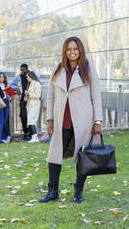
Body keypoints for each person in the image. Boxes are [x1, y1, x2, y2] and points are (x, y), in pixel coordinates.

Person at [39, 37, 102, 204]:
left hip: (84, 121)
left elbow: (96, 96)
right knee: (54, 156)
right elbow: (51, 96)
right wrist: (50, 120)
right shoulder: (58, 69)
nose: (72, 52)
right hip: (62, 121)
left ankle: (78, 192)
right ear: (64, 51)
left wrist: (98, 121)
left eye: (75, 48)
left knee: (83, 157)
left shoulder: (88, 69)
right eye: (69, 49)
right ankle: (52, 191)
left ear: (80, 50)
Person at [24, 71, 41, 143]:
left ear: (31, 76)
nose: (27, 78)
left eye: (27, 77)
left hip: (35, 105)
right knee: (30, 121)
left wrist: (29, 94)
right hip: (30, 105)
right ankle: (34, 137)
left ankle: (35, 137)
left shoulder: (37, 84)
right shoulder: (30, 84)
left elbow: (38, 95)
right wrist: (27, 96)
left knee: (32, 120)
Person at [0, 72, 11, 143]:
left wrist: (9, 95)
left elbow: (11, 97)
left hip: (6, 102)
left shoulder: (6, 85)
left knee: (5, 120)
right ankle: (4, 136)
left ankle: (8, 136)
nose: (1, 78)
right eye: (0, 77)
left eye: (3, 77)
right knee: (1, 120)